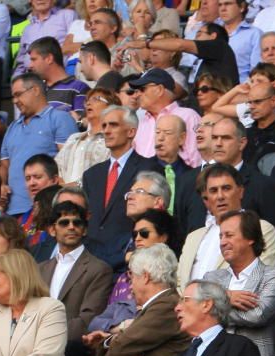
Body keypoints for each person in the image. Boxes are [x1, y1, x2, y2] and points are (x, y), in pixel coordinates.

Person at [203, 209, 275, 356]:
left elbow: (257, 315)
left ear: (250, 238)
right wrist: (225, 296)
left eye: (229, 235)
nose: (222, 242)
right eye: (220, 236)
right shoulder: (212, 278)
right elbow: (197, 312)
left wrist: (215, 305)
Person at [37, 201, 112, 356]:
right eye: (64, 222)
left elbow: (89, 320)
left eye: (77, 223)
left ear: (85, 230)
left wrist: (43, 337)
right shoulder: (39, 269)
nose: (71, 227)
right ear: (52, 230)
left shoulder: (99, 269)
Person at [174, 117, 275, 239]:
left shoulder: (263, 185)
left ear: (242, 143)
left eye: (225, 138)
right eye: (214, 138)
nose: (218, 143)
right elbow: (180, 233)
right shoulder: (188, 181)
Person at [83, 105, 160, 272]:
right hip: (91, 262)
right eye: (104, 126)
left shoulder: (148, 168)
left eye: (113, 125)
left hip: (126, 262)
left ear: (131, 132)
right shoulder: (91, 174)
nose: (107, 131)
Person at [176, 164, 275, 285]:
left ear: (240, 191)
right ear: (206, 199)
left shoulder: (261, 228)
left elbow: (257, 278)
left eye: (226, 188)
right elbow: (179, 282)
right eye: (213, 191)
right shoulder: (193, 237)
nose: (220, 196)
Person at [0, 73, 78, 217]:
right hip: (13, 211)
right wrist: (1, 184)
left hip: (47, 208)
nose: (15, 101)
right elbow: (4, 165)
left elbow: (69, 163)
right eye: (13, 96)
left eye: (18, 94)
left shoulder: (59, 118)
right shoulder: (12, 127)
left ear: (35, 90)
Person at [131, 68, 203, 167]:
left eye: (142, 89)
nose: (136, 95)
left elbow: (196, 159)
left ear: (159, 90)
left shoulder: (189, 116)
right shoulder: (140, 120)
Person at [55, 88, 117, 186]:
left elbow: (105, 174)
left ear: (111, 107)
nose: (88, 103)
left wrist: (75, 186)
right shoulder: (74, 138)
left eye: (96, 99)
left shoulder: (111, 140)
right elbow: (57, 167)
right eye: (87, 101)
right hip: (64, 196)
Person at [27, 37, 88, 119]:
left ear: (49, 59)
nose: (30, 66)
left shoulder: (79, 88)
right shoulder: (36, 91)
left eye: (34, 60)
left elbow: (80, 125)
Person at [14, 0, 76, 77]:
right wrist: (16, 79)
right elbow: (21, 63)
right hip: (32, 79)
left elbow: (77, 46)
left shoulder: (67, 15)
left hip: (61, 77)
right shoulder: (27, 29)